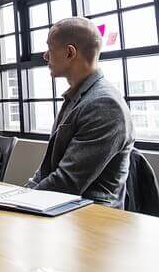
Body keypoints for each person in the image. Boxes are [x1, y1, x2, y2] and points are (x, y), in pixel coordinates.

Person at [26, 17, 134, 208]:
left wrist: (19, 201)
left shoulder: (104, 104)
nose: (45, 56)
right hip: (63, 212)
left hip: (90, 222)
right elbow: (46, 171)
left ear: (70, 53)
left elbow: (66, 183)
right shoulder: (77, 97)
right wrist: (22, 193)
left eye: (50, 49)